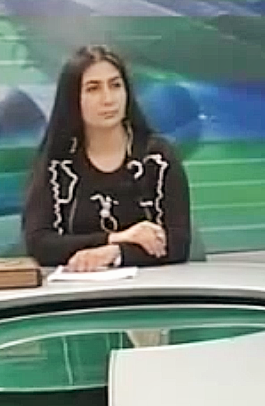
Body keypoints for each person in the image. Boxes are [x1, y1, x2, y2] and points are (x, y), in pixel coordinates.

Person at [22, 45, 194, 271]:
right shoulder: (57, 162)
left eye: (115, 85)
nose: (108, 99)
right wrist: (116, 237)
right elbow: (40, 244)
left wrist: (114, 253)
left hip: (150, 286)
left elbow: (177, 244)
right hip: (77, 288)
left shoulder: (157, 157)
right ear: (73, 98)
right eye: (93, 89)